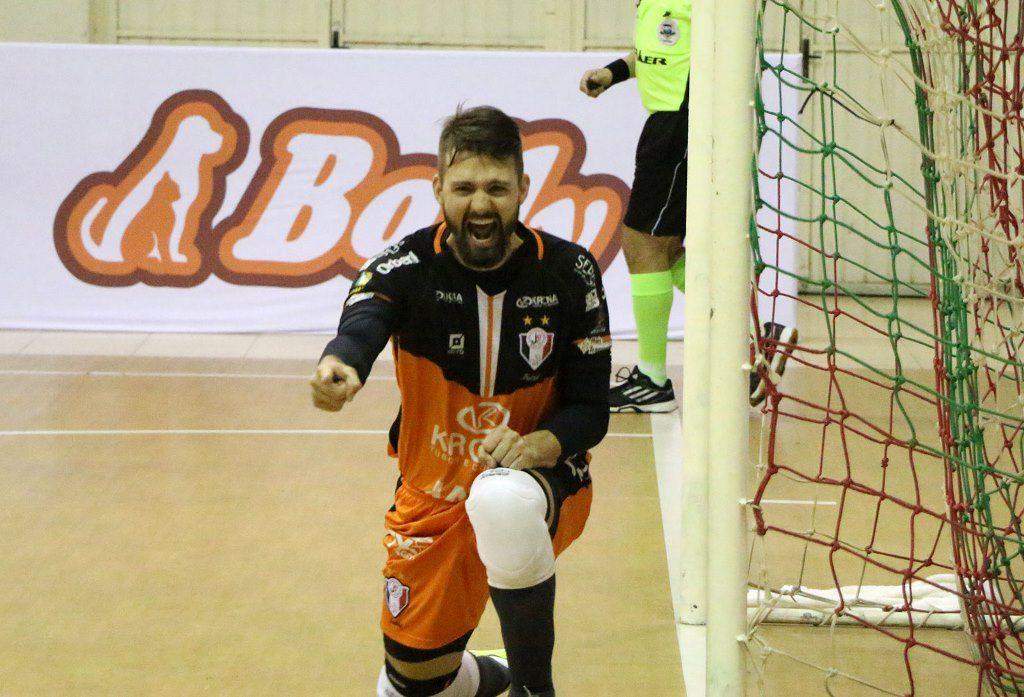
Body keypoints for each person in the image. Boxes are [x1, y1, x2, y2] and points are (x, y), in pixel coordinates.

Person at [310, 106, 611, 697]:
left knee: (501, 499)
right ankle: (486, 676)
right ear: (438, 191)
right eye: (464, 188)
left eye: (497, 188)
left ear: (523, 189)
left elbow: (591, 409)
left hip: (542, 480)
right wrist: (340, 364)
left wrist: (537, 445)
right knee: (411, 686)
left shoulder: (571, 273)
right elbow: (363, 323)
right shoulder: (405, 266)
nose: (480, 205)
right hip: (432, 498)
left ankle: (533, 687)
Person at [579, 0, 795, 411]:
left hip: (681, 124)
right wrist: (614, 73)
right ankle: (754, 340)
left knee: (643, 243)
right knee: (665, 251)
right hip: (669, 123)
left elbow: (715, 49)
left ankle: (653, 379)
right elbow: (656, 54)